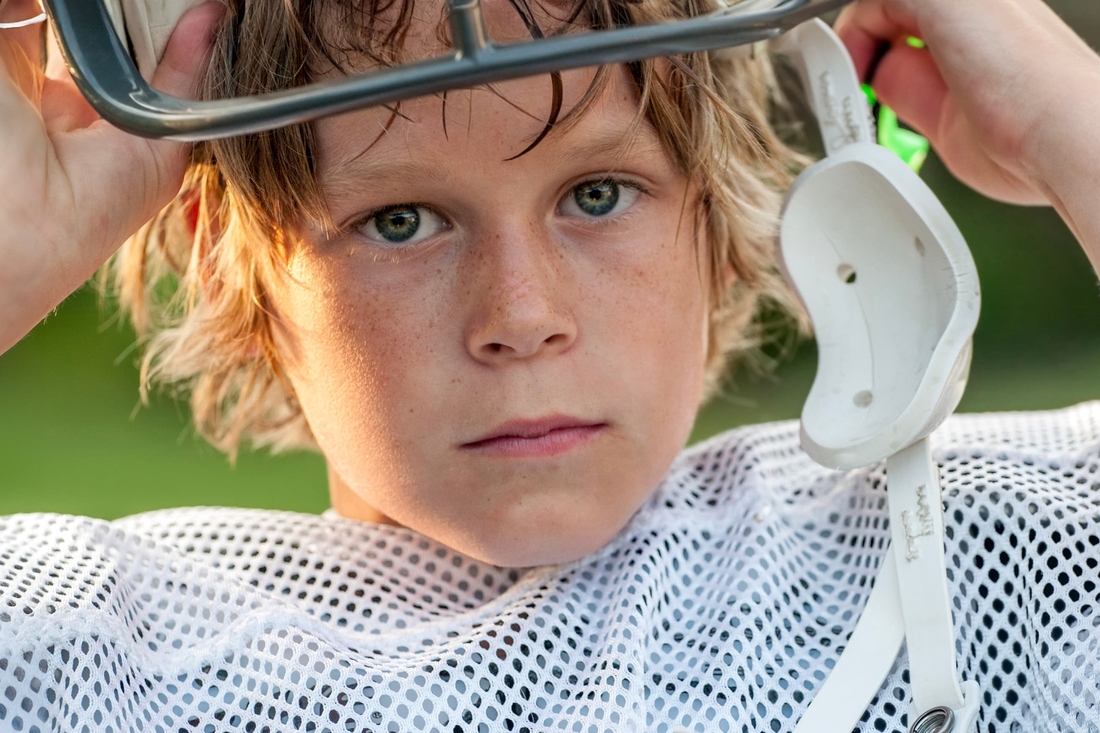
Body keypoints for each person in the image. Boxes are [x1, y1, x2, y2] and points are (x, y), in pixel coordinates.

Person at [1, 0, 1098, 730]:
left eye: (594, 196)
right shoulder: (95, 658)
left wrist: (1066, 116)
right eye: (400, 220)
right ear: (215, 247)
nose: (518, 317)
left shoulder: (969, 561)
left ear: (712, 207)